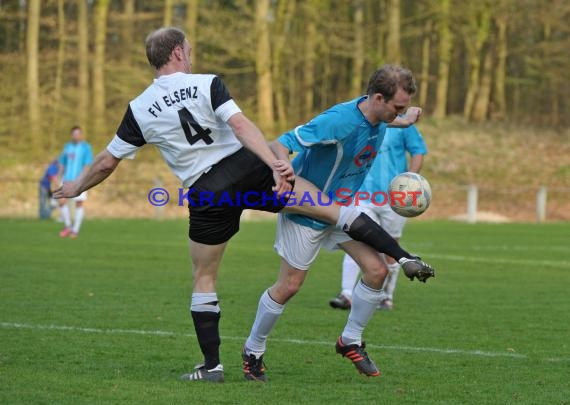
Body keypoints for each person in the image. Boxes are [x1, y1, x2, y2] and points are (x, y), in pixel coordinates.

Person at [54, 27, 433, 384]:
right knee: (336, 212)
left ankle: (212, 366)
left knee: (204, 279)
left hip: (207, 192)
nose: (190, 56)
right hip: (248, 170)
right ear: (178, 52)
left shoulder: (139, 108)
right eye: (188, 51)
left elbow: (106, 161)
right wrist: (275, 165)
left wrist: (75, 186)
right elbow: (240, 126)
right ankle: (399, 258)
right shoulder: (207, 83)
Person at [242, 65, 433, 382]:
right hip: (308, 209)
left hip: (342, 207)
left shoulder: (381, 118)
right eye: (397, 107)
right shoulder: (339, 121)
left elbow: (386, 121)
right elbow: (282, 142)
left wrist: (404, 120)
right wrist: (281, 169)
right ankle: (253, 349)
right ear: (378, 98)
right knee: (289, 286)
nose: (398, 112)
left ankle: (350, 340)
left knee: (377, 271)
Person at [329, 124, 428, 311]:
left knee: (391, 247)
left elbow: (418, 151)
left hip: (395, 197)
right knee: (354, 239)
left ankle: (385, 297)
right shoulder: (360, 123)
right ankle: (346, 294)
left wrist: (410, 181)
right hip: (362, 194)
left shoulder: (403, 124)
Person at [57, 126, 94, 238]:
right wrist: (59, 176)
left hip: (80, 180)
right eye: (74, 134)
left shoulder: (86, 147)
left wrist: (83, 178)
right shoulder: (67, 147)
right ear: (71, 135)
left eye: (78, 134)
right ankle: (68, 226)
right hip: (67, 179)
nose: (76, 136)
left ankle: (75, 230)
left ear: (81, 135)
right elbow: (62, 162)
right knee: (61, 201)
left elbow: (87, 164)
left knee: (79, 203)